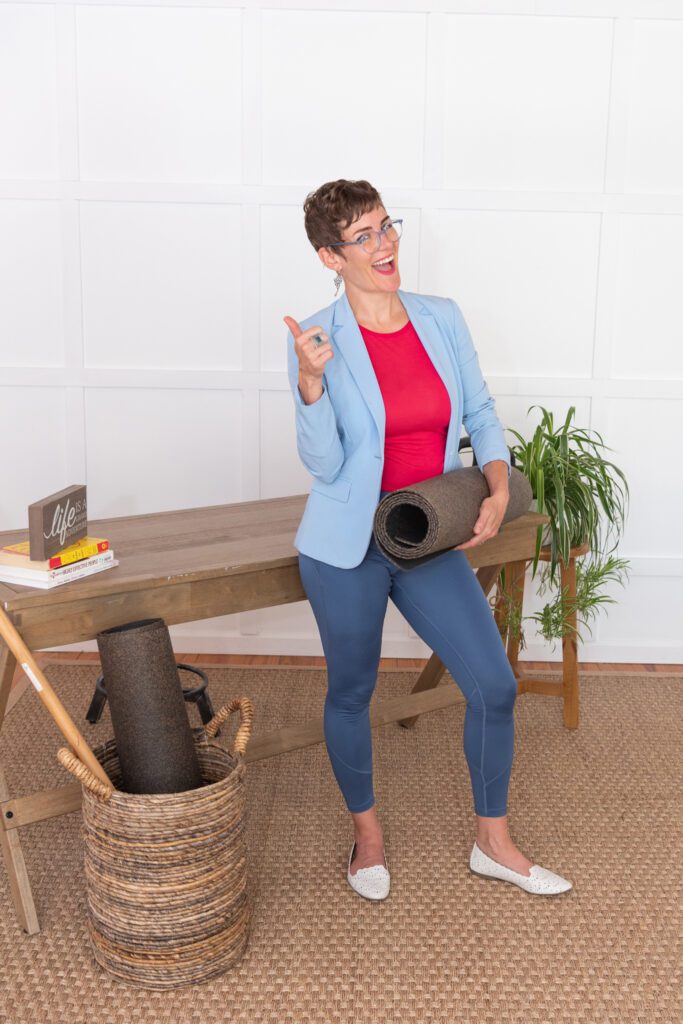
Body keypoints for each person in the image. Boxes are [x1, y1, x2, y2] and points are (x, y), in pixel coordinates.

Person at [283, 179, 572, 901]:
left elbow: (477, 408)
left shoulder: (440, 318)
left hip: (423, 532)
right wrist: (310, 385)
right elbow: (321, 465)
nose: (384, 245)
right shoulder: (319, 338)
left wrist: (498, 484)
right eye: (363, 236)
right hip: (347, 543)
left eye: (386, 227)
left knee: (492, 685)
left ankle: (492, 843)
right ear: (329, 255)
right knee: (351, 691)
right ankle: (368, 839)